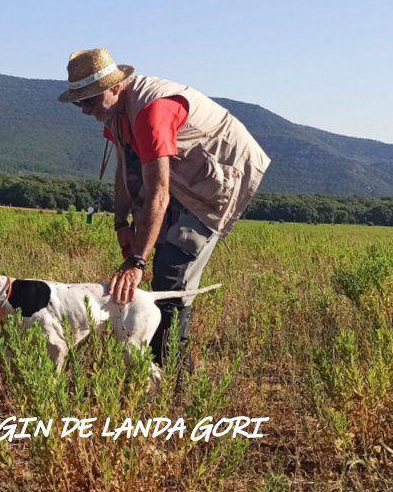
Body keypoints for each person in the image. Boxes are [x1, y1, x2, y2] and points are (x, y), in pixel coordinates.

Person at [59, 48, 271, 375]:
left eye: (90, 100)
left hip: (217, 175)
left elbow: (158, 193)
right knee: (157, 255)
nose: (85, 110)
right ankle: (156, 367)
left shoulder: (151, 114)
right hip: (177, 173)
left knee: (173, 270)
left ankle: (173, 381)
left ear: (116, 87)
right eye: (79, 102)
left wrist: (136, 262)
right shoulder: (115, 114)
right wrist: (121, 224)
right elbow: (125, 171)